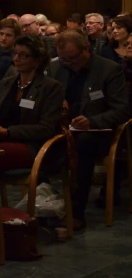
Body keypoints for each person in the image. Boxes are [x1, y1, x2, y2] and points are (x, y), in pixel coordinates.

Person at [49, 29, 130, 228]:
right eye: (63, 59)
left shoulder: (109, 69)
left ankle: (76, 211)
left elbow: (121, 110)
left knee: (82, 146)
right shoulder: (56, 68)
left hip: (98, 132)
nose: (67, 63)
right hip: (63, 128)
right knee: (37, 140)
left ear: (86, 49)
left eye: (71, 58)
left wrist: (92, 121)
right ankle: (44, 205)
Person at [0, 36, 63, 173]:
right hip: (0, 141)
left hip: (33, 146)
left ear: (37, 60)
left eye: (23, 55)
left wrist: (8, 132)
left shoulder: (51, 87)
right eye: (15, 53)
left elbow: (46, 129)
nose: (16, 58)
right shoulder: (6, 83)